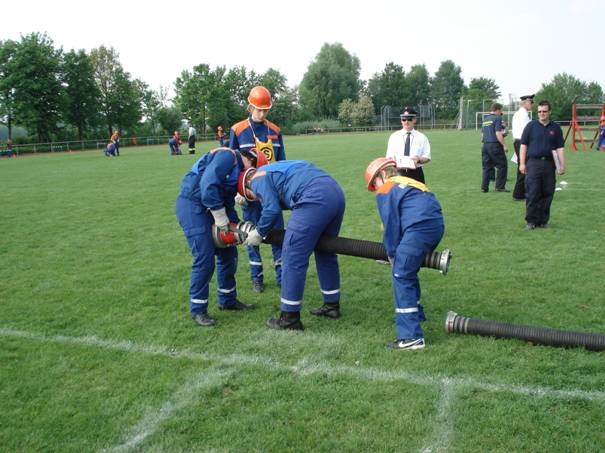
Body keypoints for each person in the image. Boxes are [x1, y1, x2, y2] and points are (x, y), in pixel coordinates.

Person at [237, 160, 346, 330]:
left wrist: (258, 232)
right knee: (326, 251)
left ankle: (289, 318)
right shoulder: (272, 169)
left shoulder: (256, 178)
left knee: (292, 256)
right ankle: (331, 305)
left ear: (247, 186)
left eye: (253, 197)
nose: (257, 199)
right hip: (335, 192)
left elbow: (271, 209)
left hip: (313, 196)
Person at [175, 147, 268, 326]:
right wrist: (220, 217)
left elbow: (227, 202)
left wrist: (238, 229)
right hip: (192, 205)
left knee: (229, 253)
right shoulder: (228, 156)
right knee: (205, 256)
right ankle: (198, 309)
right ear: (251, 162)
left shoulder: (235, 168)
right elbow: (208, 184)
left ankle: (227, 300)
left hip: (207, 204)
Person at [364, 157, 444, 350]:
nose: (376, 188)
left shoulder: (386, 188)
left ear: (383, 174)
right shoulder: (410, 182)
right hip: (435, 226)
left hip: (418, 229)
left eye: (374, 183)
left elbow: (391, 226)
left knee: (401, 273)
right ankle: (417, 314)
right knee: (409, 269)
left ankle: (411, 337)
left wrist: (392, 255)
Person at [229, 86, 286, 293]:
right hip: (250, 195)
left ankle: (282, 276)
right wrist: (238, 191)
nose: (262, 114)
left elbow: (282, 163)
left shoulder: (275, 131)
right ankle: (257, 277)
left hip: (272, 194)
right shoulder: (238, 130)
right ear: (250, 106)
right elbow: (232, 162)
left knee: (278, 236)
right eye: (259, 109)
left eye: (265, 110)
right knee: (251, 236)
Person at [519, 100, 565, 229]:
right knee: (532, 193)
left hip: (550, 164)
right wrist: (522, 163)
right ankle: (531, 221)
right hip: (533, 163)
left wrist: (562, 165)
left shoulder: (555, 128)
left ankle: (543, 221)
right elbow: (523, 145)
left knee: (547, 193)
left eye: (544, 111)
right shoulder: (530, 126)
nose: (542, 113)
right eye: (539, 111)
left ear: (550, 112)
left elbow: (560, 147)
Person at [385, 107, 431, 183]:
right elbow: (388, 157)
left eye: (409, 119)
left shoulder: (422, 137)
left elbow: (427, 157)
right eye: (404, 119)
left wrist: (418, 159)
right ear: (401, 120)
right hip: (398, 172)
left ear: (414, 120)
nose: (406, 122)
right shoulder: (394, 137)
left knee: (418, 191)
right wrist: (392, 160)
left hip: (416, 173)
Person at [480, 103, 509, 193]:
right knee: (502, 165)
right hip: (494, 145)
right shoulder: (497, 118)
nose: (501, 112)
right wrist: (504, 145)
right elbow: (498, 133)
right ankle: (500, 187)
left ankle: (484, 187)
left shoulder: (485, 119)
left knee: (486, 167)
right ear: (497, 110)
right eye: (501, 110)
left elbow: (482, 135)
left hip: (485, 145)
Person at [511, 94, 534, 200]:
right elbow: (527, 131)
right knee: (524, 167)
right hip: (522, 142)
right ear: (525, 102)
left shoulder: (517, 114)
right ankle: (518, 193)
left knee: (521, 166)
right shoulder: (524, 115)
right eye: (530, 102)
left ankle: (520, 192)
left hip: (517, 141)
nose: (532, 104)